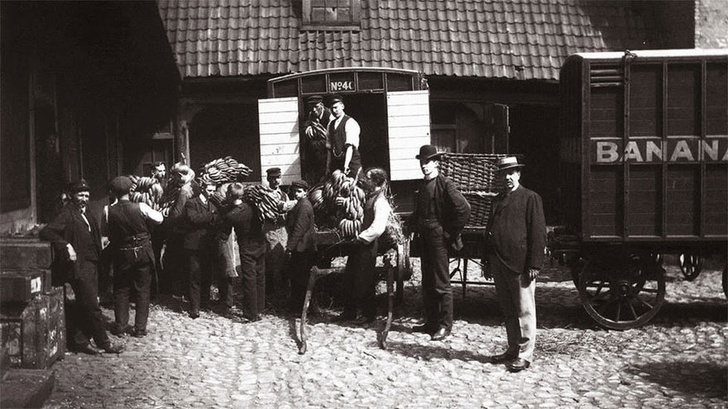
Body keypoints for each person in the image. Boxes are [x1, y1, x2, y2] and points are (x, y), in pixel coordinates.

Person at [39, 179, 124, 354]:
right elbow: (46, 231)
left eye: (86, 195)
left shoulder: (87, 212)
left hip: (92, 263)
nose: (84, 198)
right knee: (92, 305)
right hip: (79, 266)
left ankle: (79, 340)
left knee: (84, 304)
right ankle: (104, 343)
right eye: (80, 195)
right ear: (72, 196)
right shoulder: (67, 213)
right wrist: (65, 245)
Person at [485, 156, 546, 373]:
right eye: (504, 174)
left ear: (519, 174)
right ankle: (513, 348)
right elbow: (489, 232)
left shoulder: (530, 198)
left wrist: (534, 264)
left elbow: (538, 234)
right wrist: (487, 261)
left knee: (524, 311)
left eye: (512, 173)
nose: (508, 177)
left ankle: (525, 355)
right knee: (508, 310)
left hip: (520, 266)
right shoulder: (497, 200)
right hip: (499, 262)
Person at [407, 145, 471, 341]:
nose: (424, 166)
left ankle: (445, 325)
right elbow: (419, 212)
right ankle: (431, 322)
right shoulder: (421, 185)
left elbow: (464, 208)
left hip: (438, 236)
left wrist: (449, 233)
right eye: (422, 162)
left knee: (441, 282)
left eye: (428, 162)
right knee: (427, 280)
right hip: (424, 236)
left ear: (436, 163)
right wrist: (409, 227)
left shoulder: (445, 184)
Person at [106, 176, 163, 337]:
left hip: (121, 253)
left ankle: (121, 326)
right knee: (142, 290)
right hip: (143, 251)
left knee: (121, 289)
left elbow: (105, 232)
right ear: (131, 191)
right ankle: (139, 329)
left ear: (113, 193)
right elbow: (159, 219)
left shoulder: (108, 210)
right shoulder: (141, 207)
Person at [338, 168, 393, 324]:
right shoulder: (370, 197)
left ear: (375, 182)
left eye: (368, 178)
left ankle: (368, 314)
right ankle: (350, 312)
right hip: (360, 243)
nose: (364, 180)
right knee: (350, 276)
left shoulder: (381, 201)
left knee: (365, 279)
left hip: (368, 244)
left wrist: (361, 238)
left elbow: (378, 227)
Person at [221, 183, 267, 322]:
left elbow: (224, 235)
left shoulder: (231, 215)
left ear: (229, 195)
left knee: (249, 279)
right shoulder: (252, 206)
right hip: (260, 244)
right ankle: (260, 309)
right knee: (260, 277)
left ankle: (251, 313)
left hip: (246, 248)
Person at [183, 181, 221, 319]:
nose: (211, 193)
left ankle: (205, 302)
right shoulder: (191, 203)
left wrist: (210, 217)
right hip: (194, 246)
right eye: (209, 190)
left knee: (207, 274)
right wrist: (211, 216)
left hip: (208, 245)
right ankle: (194, 307)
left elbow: (218, 219)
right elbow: (193, 218)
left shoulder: (213, 204)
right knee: (194, 276)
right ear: (202, 188)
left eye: (213, 190)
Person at [163, 164, 196, 299]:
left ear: (181, 176)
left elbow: (177, 214)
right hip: (191, 230)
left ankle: (180, 292)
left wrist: (167, 213)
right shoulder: (194, 183)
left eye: (175, 176)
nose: (173, 179)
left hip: (181, 231)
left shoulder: (184, 191)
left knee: (179, 263)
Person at [262, 167, 295, 298]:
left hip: (283, 231)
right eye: (273, 178)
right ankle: (270, 293)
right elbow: (270, 211)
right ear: (268, 179)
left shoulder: (284, 194)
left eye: (278, 178)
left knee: (285, 260)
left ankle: (284, 291)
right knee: (271, 261)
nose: (276, 181)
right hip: (270, 230)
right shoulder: (265, 195)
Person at [284, 180, 316, 312]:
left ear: (306, 192)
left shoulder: (304, 206)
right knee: (298, 278)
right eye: (294, 191)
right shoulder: (300, 204)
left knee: (301, 279)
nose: (296, 194)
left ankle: (302, 308)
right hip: (301, 247)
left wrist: (289, 247)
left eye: (299, 191)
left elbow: (299, 229)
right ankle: (298, 306)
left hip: (303, 248)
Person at [327, 96, 362, 177]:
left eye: (336, 107)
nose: (334, 111)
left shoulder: (350, 122)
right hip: (336, 163)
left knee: (360, 184)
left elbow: (350, 147)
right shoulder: (330, 125)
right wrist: (328, 167)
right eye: (331, 108)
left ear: (342, 106)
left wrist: (346, 165)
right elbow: (329, 148)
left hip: (351, 162)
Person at [302, 95, 332, 184]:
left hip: (328, 150)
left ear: (322, 105)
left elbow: (331, 137)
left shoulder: (330, 116)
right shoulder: (311, 114)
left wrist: (317, 142)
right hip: (318, 152)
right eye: (311, 107)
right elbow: (306, 126)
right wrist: (308, 128)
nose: (314, 109)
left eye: (316, 107)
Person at [149, 161, 167, 298]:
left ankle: (163, 285)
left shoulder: (167, 184)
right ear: (153, 171)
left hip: (163, 224)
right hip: (151, 224)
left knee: (163, 255)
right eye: (159, 170)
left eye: (163, 170)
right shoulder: (148, 185)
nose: (162, 173)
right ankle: (155, 288)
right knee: (154, 255)